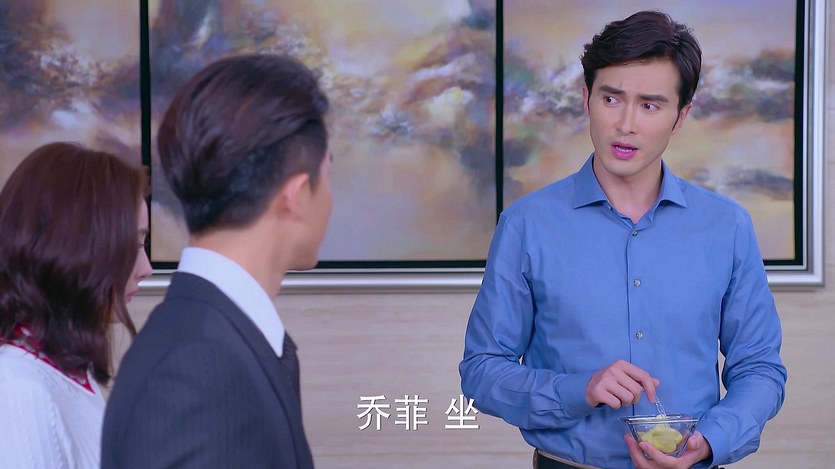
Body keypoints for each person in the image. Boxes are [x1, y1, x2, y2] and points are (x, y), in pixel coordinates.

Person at [460, 10, 786, 469]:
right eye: (611, 98)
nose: (626, 124)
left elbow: (760, 368)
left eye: (650, 105)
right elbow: (481, 370)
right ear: (586, 98)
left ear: (680, 115)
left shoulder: (727, 226)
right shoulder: (526, 225)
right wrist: (579, 389)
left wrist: (711, 441)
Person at [101, 54, 332, 468]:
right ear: (296, 195)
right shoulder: (198, 367)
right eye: (329, 176)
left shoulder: (220, 337)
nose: (332, 198)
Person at [0, 142, 151, 468]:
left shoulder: (69, 371)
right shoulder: (20, 388)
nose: (146, 268)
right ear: (77, 248)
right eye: (133, 245)